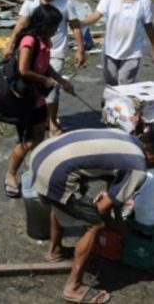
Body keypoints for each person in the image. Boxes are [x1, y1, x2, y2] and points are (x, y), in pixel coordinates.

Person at [30, 128, 149, 304]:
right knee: (95, 224)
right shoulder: (138, 167)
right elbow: (101, 210)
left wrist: (115, 218)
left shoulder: (127, 138)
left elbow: (115, 190)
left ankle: (55, 252)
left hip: (41, 154)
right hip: (55, 174)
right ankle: (73, 287)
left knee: (62, 202)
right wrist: (114, 226)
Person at [3, 3, 74, 198]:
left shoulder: (44, 41)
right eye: (54, 26)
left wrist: (62, 82)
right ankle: (10, 175)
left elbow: (45, 66)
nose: (56, 30)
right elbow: (24, 69)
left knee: (39, 139)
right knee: (26, 142)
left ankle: (35, 171)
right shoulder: (29, 40)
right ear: (44, 24)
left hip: (38, 99)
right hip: (24, 98)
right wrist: (44, 80)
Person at [4, 0, 84, 136]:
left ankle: (52, 122)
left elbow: (75, 27)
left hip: (56, 51)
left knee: (51, 90)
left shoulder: (66, 2)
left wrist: (80, 49)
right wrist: (10, 43)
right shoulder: (31, 2)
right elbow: (21, 24)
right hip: (34, 53)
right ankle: (36, 121)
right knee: (38, 86)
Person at [80, 0, 154, 86]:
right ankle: (111, 105)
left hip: (132, 52)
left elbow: (148, 26)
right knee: (111, 84)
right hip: (110, 50)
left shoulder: (144, 1)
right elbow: (96, 16)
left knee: (125, 86)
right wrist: (78, 23)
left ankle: (124, 104)